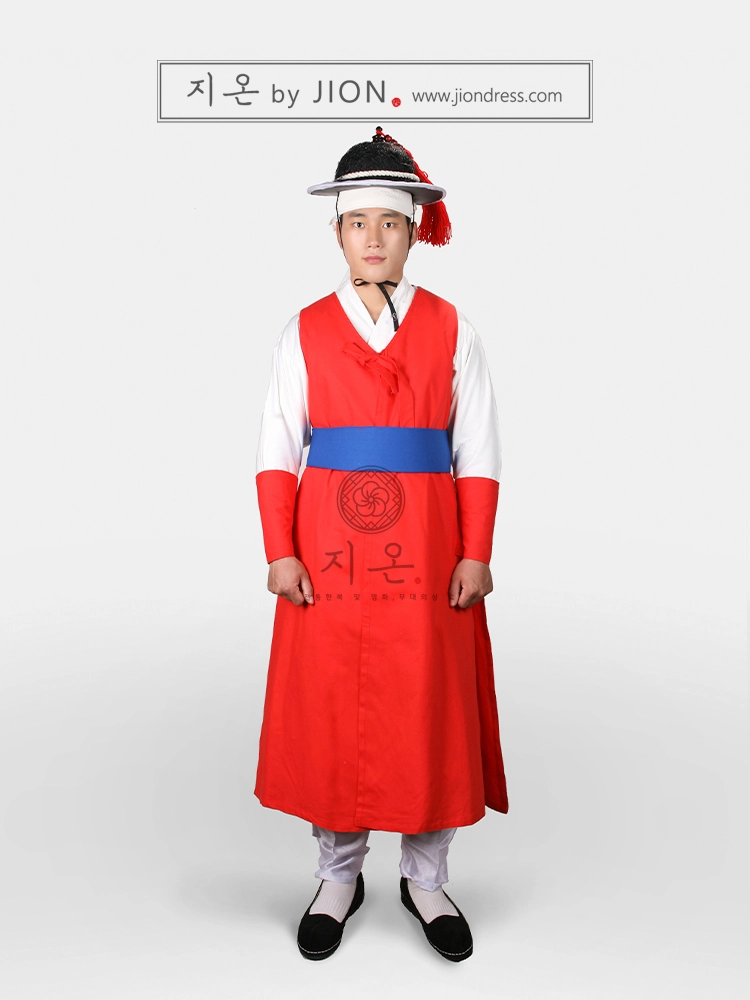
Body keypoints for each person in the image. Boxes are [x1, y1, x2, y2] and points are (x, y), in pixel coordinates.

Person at [254, 127, 509, 962]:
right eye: (358, 222)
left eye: (390, 223)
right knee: (334, 704)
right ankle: (338, 875)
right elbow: (277, 446)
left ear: (413, 231)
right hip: (329, 549)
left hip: (428, 551)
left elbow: (477, 448)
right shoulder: (303, 330)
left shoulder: (453, 328)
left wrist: (476, 551)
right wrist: (280, 549)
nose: (374, 238)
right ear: (337, 233)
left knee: (427, 705)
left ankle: (426, 878)